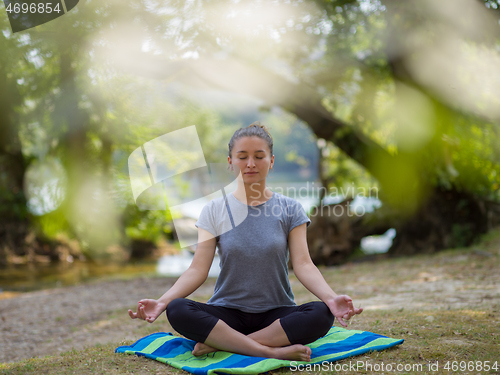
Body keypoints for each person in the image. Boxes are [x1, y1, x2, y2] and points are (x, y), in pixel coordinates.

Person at [128, 122, 363, 362]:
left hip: (276, 314)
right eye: (242, 157)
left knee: (321, 313)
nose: (250, 164)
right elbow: (198, 269)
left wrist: (331, 298)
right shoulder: (214, 210)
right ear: (230, 163)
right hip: (227, 314)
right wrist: (162, 301)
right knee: (177, 309)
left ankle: (221, 344)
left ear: (271, 162)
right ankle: (270, 350)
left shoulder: (290, 209)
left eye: (259, 156)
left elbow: (303, 264)